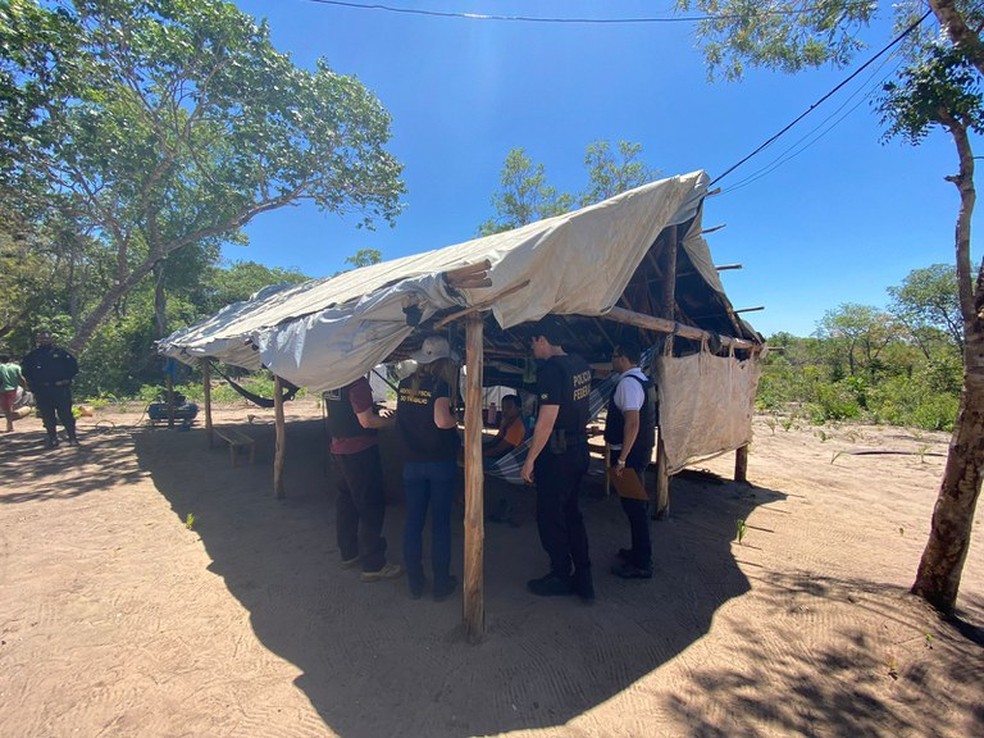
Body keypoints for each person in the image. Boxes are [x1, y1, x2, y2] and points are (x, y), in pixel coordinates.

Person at [520, 318, 594, 602]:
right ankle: (584, 577)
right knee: (572, 514)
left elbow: (546, 422)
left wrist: (530, 460)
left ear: (542, 339)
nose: (532, 348)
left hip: (558, 454)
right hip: (579, 449)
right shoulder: (579, 365)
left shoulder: (551, 371)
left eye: (533, 343)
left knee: (550, 516)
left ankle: (561, 575)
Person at [395, 334, 461, 601]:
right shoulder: (440, 386)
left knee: (413, 522)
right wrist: (457, 418)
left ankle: (415, 582)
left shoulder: (404, 385)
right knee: (440, 524)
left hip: (412, 463)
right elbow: (442, 421)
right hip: (439, 462)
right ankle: (441, 584)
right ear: (444, 362)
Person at [325, 376, 403, 583]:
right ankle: (374, 565)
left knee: (346, 503)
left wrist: (375, 410)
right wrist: (395, 421)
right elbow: (367, 421)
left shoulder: (331, 381)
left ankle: (348, 553)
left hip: (338, 449)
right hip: (359, 451)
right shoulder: (357, 384)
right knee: (370, 506)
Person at [604, 341, 657, 579]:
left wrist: (622, 459)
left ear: (623, 357)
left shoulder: (628, 384)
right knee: (634, 505)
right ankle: (638, 552)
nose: (612, 360)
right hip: (641, 449)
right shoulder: (643, 380)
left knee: (635, 507)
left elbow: (632, 423)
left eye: (614, 355)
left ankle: (642, 562)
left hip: (630, 454)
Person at [21, 332, 79, 447]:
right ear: (38, 340)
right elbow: (26, 372)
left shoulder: (61, 353)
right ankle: (53, 438)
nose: (44, 340)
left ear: (51, 339)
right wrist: (33, 386)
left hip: (60, 389)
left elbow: (74, 367)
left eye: (46, 338)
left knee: (66, 414)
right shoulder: (33, 356)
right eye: (42, 338)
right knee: (47, 415)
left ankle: (72, 438)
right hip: (43, 390)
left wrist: (67, 379)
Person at [482, 394, 526, 461]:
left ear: (518, 409)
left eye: (509, 407)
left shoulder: (517, 427)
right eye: (503, 407)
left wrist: (479, 455)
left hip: (510, 460)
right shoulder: (507, 421)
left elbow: (498, 450)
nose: (505, 411)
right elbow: (495, 440)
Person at [0, 352, 24, 433]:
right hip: (13, 390)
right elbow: (21, 378)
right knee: (8, 407)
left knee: (7, 408)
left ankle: (10, 425)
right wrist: (25, 388)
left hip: (2, 389)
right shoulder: (16, 367)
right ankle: (9, 425)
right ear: (10, 359)